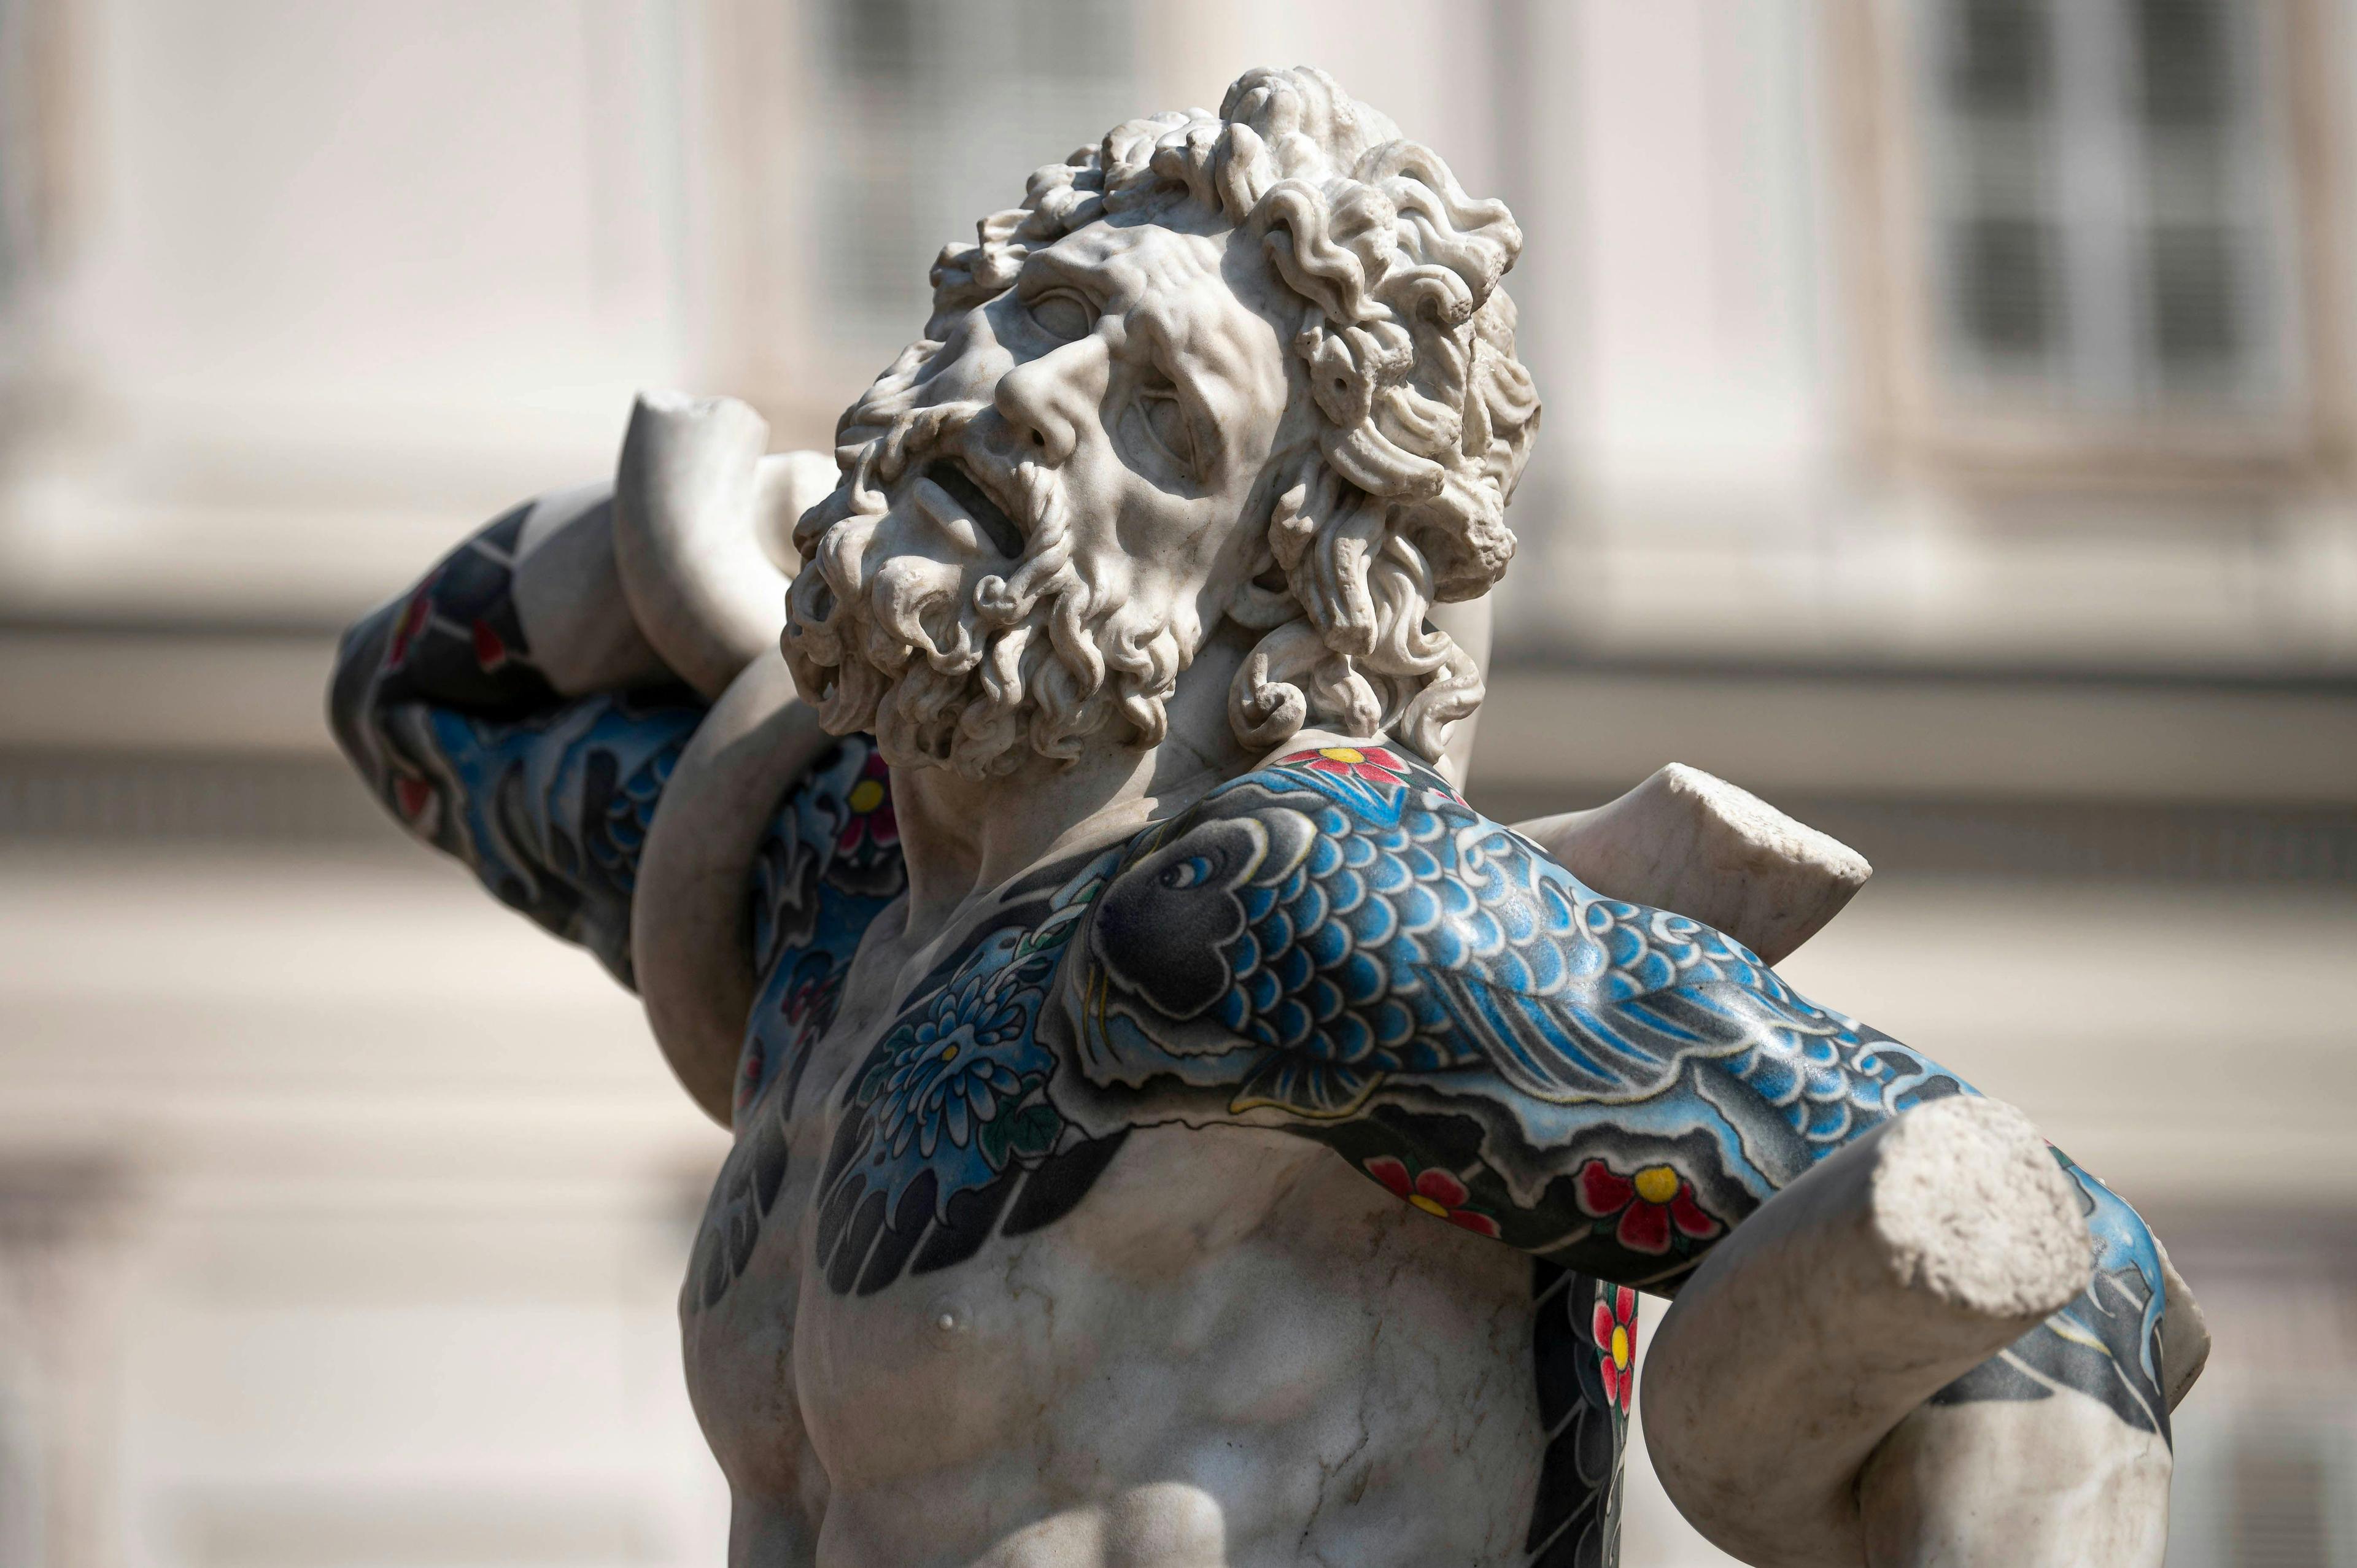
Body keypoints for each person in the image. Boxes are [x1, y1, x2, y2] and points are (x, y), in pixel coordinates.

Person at [330, 66, 2177, 1568]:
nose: (1040, 398)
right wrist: (707, 504)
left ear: (1261, 594)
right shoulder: (828, 889)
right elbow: (416, 701)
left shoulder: (1280, 904)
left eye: (1161, 414)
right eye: (1037, 313)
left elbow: (2057, 1270)